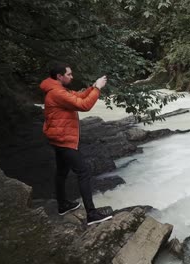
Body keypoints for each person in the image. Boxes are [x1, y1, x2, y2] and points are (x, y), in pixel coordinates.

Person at [40, 63, 112, 225]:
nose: (72, 77)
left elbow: (77, 96)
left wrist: (92, 87)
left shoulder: (57, 89)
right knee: (84, 172)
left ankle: (63, 205)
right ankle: (92, 214)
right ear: (59, 76)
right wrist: (98, 89)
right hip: (64, 140)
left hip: (57, 138)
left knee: (61, 172)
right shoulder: (57, 93)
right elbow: (84, 105)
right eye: (69, 74)